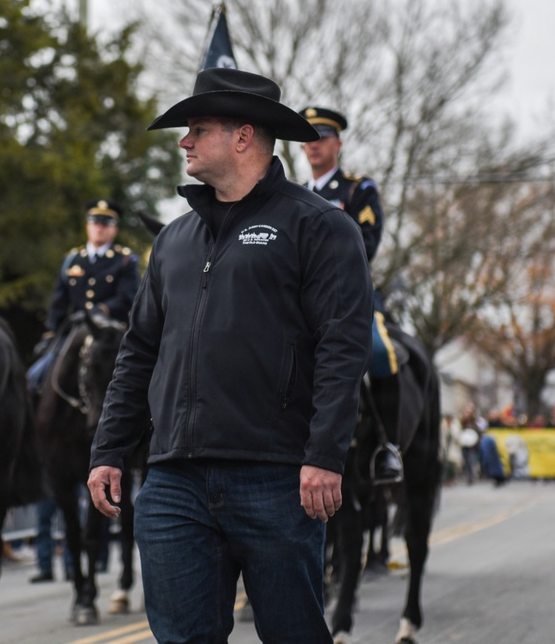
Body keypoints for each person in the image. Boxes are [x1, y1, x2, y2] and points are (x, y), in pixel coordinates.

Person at [87, 68, 374, 643]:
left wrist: (325, 454)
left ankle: (386, 452)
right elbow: (138, 351)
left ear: (243, 137)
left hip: (277, 478)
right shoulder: (172, 240)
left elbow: (344, 347)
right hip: (172, 483)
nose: (183, 142)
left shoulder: (321, 226)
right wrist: (109, 448)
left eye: (196, 129)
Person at [297, 106, 401, 483]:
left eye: (322, 137)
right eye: (308, 137)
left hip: (349, 295)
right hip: (298, 297)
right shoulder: (292, 194)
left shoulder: (359, 189)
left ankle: (388, 448)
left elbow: (366, 244)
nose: (314, 145)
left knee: (378, 352)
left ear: (337, 143)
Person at [28, 199, 140, 393]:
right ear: (88, 225)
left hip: (109, 332)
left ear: (114, 229)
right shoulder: (72, 260)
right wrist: (50, 334)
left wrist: (99, 311)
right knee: (35, 377)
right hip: (74, 330)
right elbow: (59, 301)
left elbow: (127, 297)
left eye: (105, 224)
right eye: (95, 223)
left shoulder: (125, 260)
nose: (100, 228)